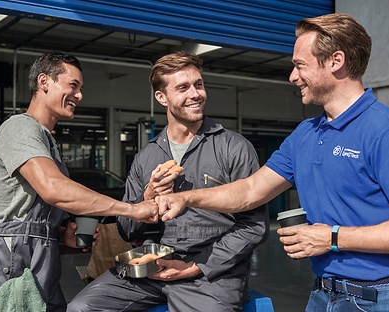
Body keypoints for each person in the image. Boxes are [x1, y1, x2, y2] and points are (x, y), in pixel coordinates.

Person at [156, 13, 389, 311]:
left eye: (299, 65)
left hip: (385, 297)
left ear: (335, 61)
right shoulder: (306, 134)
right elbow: (250, 190)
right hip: (324, 294)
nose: (293, 77)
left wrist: (332, 237)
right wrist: (185, 198)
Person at [68, 51, 269, 311]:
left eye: (198, 84)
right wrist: (148, 197)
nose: (196, 94)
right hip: (155, 267)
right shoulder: (147, 156)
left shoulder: (233, 147)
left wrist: (197, 266)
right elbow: (128, 230)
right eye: (183, 87)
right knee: (81, 308)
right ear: (161, 97)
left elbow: (255, 225)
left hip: (211, 275)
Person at [0, 51, 158, 312]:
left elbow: (30, 206)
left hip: (41, 257)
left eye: (81, 88)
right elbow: (54, 189)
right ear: (44, 82)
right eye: (73, 86)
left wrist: (58, 233)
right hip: (11, 258)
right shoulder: (19, 128)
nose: (79, 95)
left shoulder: (47, 141)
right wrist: (133, 209)